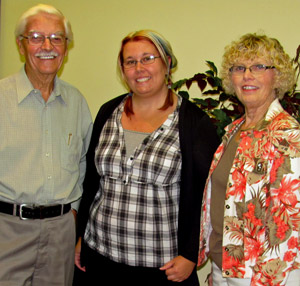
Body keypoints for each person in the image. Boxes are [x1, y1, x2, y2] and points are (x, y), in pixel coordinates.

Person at [75, 29, 219, 286]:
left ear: (168, 64)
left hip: (161, 267)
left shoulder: (193, 123)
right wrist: (80, 237)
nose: (139, 68)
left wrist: (190, 253)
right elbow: (91, 183)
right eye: (130, 62)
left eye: (148, 58)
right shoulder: (108, 112)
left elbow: (206, 195)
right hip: (99, 257)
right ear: (123, 70)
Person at [0, 4, 93, 286]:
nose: (47, 46)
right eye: (37, 37)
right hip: (7, 230)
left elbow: (83, 163)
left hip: (60, 233)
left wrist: (73, 213)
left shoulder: (76, 102)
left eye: (57, 38)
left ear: (66, 47)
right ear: (21, 44)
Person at [198, 33, 300, 286]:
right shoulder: (234, 131)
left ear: (277, 76)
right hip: (225, 268)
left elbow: (290, 223)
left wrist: (263, 281)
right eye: (239, 68)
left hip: (264, 276)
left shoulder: (286, 134)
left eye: (259, 67)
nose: (247, 75)